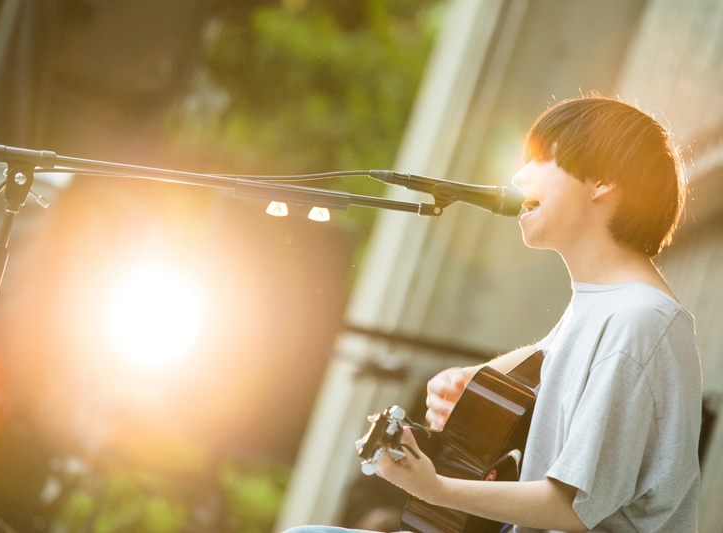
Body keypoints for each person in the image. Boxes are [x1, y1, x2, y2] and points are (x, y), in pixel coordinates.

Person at [284, 95, 702, 533]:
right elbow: (550, 357)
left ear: (601, 181)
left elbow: (570, 507)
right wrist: (473, 378)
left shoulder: (640, 322)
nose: (518, 176)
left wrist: (434, 488)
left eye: (542, 160)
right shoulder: (603, 306)